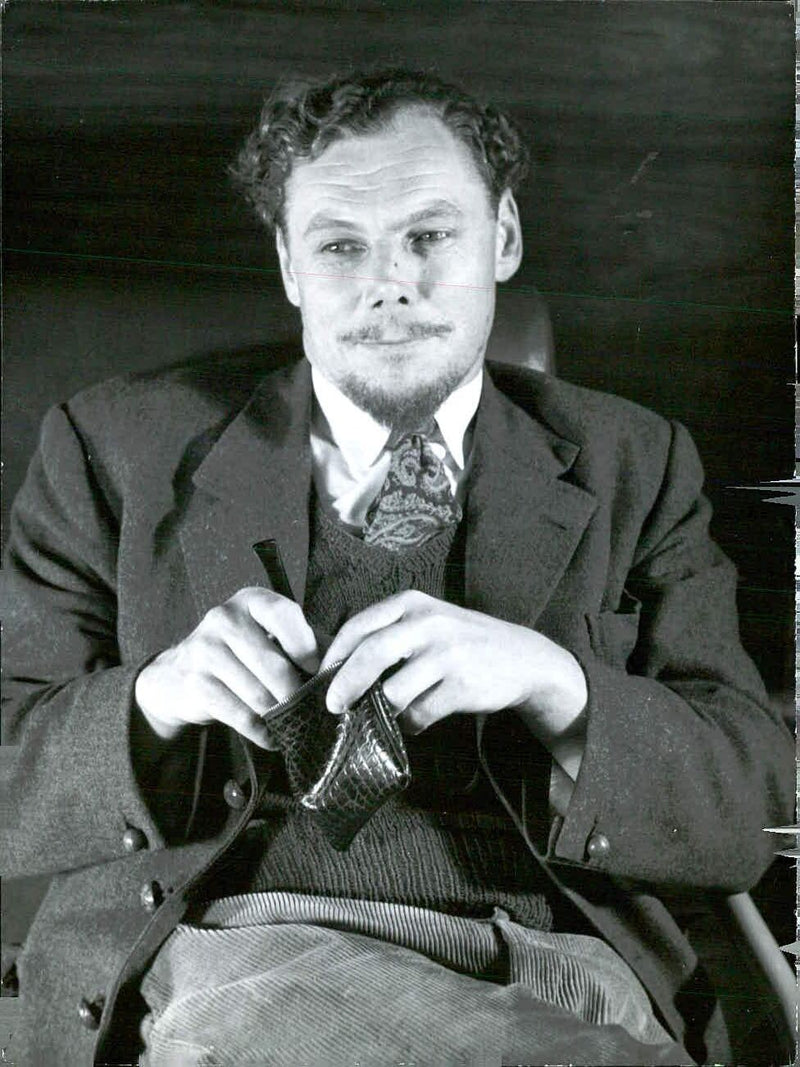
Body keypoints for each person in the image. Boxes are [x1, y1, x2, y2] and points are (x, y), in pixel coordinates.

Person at [2, 67, 792, 1067]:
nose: (389, 281)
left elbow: (745, 810)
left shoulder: (636, 461)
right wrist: (152, 697)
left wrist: (558, 687)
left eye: (430, 235)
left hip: (560, 968)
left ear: (501, 237)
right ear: (288, 264)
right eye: (340, 246)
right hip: (231, 958)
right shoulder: (111, 449)